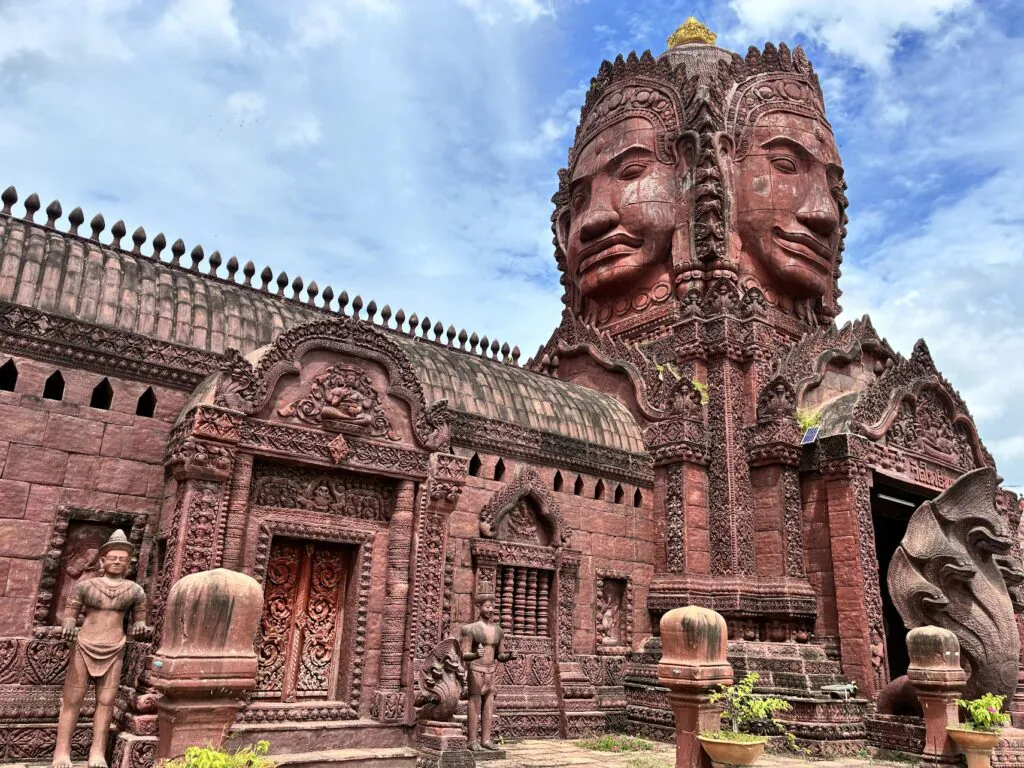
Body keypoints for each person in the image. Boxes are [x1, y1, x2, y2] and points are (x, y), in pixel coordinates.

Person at [52, 530, 147, 768]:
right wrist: (69, 626)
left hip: (115, 647)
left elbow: (140, 621)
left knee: (106, 700)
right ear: (102, 561)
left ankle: (97, 752)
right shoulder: (86, 587)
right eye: (112, 558)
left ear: (128, 564)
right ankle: (61, 751)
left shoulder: (135, 591)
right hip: (85, 644)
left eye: (122, 559)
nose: (117, 561)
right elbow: (70, 615)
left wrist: (140, 627)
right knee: (72, 699)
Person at [459, 593, 515, 751]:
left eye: (492, 606)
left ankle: (486, 739)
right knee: (474, 703)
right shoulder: (470, 629)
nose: (491, 609)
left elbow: (499, 655)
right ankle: (471, 740)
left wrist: (509, 656)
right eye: (487, 606)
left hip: (491, 671)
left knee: (489, 705)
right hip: (476, 669)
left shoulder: (499, 631)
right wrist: (476, 654)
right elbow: (464, 654)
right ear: (479, 607)